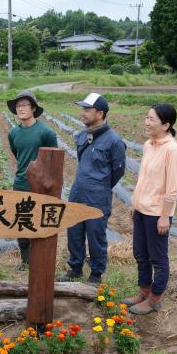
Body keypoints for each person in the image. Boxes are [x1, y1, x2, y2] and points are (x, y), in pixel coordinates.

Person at [58, 93, 126, 285]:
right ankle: (75, 268)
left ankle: (96, 273)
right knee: (74, 232)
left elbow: (118, 171)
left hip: (98, 196)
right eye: (83, 109)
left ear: (100, 113)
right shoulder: (82, 136)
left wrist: (100, 186)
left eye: (87, 110)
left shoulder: (114, 141)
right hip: (78, 191)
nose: (83, 113)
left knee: (95, 234)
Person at [123, 103, 177, 315]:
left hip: (157, 213)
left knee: (158, 258)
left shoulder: (171, 149)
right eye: (146, 118)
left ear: (166, 125)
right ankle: (144, 291)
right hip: (141, 209)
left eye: (152, 119)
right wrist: (135, 203)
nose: (147, 122)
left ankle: (155, 298)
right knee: (140, 253)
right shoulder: (149, 145)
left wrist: (165, 216)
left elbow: (172, 188)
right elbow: (144, 179)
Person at [7, 90, 58, 271]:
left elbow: (53, 160)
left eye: (24, 105)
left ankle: (41, 258)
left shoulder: (46, 133)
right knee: (22, 222)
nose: (20, 109)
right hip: (20, 183)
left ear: (33, 108)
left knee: (39, 221)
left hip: (40, 186)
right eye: (18, 106)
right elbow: (18, 155)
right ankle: (25, 261)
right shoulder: (13, 133)